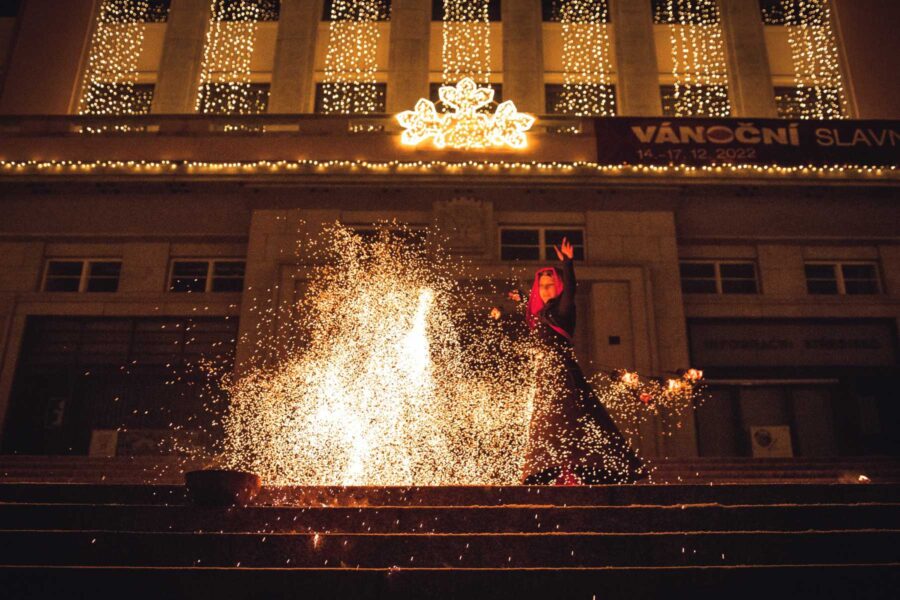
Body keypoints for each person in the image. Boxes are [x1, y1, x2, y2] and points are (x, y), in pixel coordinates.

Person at [512, 237, 648, 485]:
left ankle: (572, 472)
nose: (545, 289)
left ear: (559, 286)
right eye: (542, 285)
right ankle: (557, 471)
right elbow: (539, 323)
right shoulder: (541, 313)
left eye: (550, 284)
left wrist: (568, 264)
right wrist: (522, 300)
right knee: (548, 426)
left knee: (568, 420)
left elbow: (570, 293)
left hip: (563, 373)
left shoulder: (563, 308)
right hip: (546, 374)